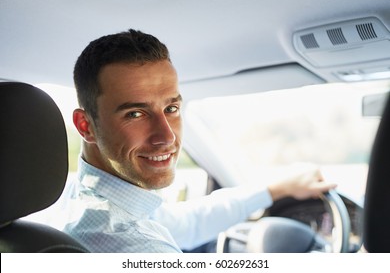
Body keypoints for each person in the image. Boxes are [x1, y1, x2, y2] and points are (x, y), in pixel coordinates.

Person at [53, 29, 336, 253]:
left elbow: (184, 223)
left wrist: (276, 189)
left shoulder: (83, 200)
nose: (167, 137)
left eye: (171, 109)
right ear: (85, 125)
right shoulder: (137, 247)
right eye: (136, 113)